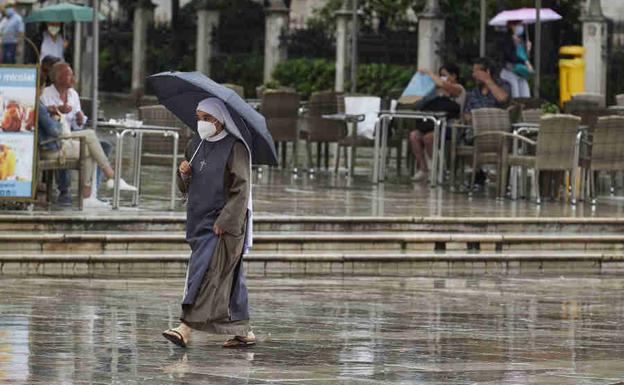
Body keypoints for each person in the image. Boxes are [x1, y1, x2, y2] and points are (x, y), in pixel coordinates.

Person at [162, 98, 255, 349]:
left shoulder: (235, 148)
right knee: (230, 276)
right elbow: (186, 187)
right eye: (198, 117)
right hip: (199, 220)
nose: (201, 123)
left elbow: (241, 189)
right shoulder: (195, 144)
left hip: (223, 224)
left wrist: (225, 220)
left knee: (205, 274)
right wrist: (184, 174)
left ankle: (185, 328)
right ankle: (242, 330)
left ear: (219, 120)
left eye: (206, 118)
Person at [41, 62, 116, 202]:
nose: (73, 78)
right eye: (69, 75)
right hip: (55, 138)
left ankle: (92, 191)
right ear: (57, 78)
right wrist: (58, 110)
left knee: (104, 145)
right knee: (88, 140)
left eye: (72, 75)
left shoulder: (73, 94)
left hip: (72, 134)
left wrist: (80, 119)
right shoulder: (46, 94)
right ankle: (70, 190)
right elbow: (44, 119)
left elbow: (78, 125)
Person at [37, 101, 135, 208]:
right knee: (90, 149)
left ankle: (108, 180)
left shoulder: (42, 105)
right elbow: (55, 130)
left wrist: (51, 111)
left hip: (60, 140)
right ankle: (105, 183)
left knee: (90, 134)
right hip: (52, 147)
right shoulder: (39, 106)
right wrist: (58, 117)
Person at [407, 64, 466, 181]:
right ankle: (423, 169)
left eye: (444, 75)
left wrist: (429, 73)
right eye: (440, 76)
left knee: (429, 138)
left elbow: (443, 84)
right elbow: (417, 104)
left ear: (454, 76)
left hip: (451, 127)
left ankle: (439, 170)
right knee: (414, 136)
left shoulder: (459, 89)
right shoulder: (436, 91)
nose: (440, 78)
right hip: (431, 125)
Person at [500, 20, 533, 98]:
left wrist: (528, 49)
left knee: (526, 96)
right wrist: (523, 61)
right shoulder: (506, 39)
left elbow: (526, 58)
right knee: (515, 96)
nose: (520, 27)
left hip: (521, 72)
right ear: (511, 26)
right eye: (518, 25)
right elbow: (509, 56)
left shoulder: (521, 40)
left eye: (521, 25)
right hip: (510, 71)